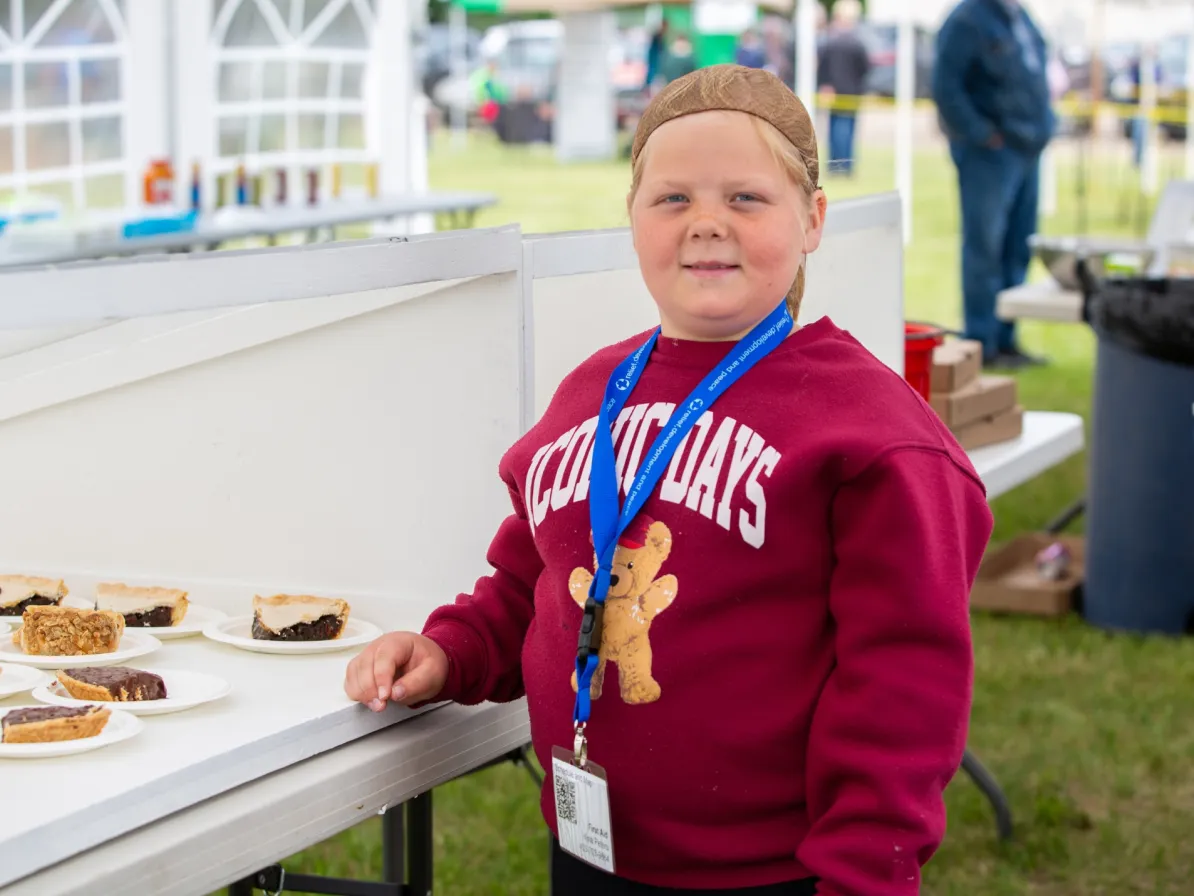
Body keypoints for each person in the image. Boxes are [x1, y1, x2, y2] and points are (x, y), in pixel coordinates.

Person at [345, 65, 994, 895]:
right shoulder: (591, 393)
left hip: (775, 875)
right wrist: (449, 650)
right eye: (674, 199)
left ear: (813, 221)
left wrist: (864, 872)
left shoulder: (872, 434)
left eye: (746, 199)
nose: (706, 225)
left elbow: (902, 685)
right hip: (592, 849)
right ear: (633, 220)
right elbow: (533, 577)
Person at [932, 0, 1055, 369]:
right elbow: (945, 86)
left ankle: (1005, 339)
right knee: (985, 249)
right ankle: (982, 341)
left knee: (1017, 248)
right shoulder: (967, 19)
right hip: (990, 155)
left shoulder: (1019, 18)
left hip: (1026, 150)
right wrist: (981, 134)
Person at [815, 0, 870, 176]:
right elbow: (865, 68)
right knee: (847, 131)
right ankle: (845, 166)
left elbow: (822, 67)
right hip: (853, 92)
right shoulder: (857, 43)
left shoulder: (829, 41)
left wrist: (825, 84)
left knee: (835, 130)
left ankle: (835, 166)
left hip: (834, 92)